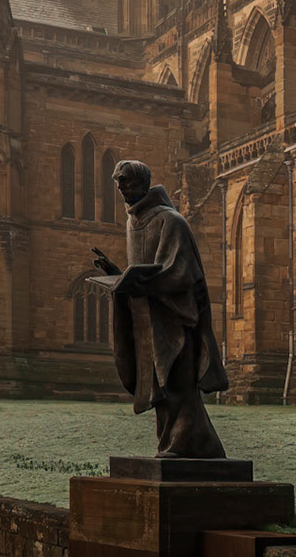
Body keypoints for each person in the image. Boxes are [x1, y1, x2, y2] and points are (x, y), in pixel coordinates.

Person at [89, 159, 230, 458]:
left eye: (125, 181)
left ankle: (186, 443)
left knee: (179, 385)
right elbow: (141, 269)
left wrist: (146, 283)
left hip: (176, 318)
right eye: (117, 182)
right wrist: (118, 274)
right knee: (159, 389)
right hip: (149, 318)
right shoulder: (133, 222)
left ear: (142, 182)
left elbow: (181, 271)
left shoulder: (171, 221)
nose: (120, 188)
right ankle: (177, 442)